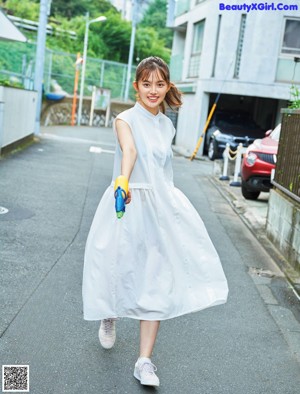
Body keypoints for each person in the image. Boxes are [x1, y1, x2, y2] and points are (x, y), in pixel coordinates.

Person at [82, 56, 228, 387]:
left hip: (160, 205)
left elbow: (165, 172)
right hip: (127, 200)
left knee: (158, 278)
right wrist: (124, 181)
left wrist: (172, 208)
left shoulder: (167, 124)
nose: (153, 90)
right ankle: (109, 312)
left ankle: (144, 361)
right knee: (115, 264)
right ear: (136, 86)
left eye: (159, 84)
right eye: (146, 84)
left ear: (167, 86)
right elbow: (130, 150)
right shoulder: (124, 119)